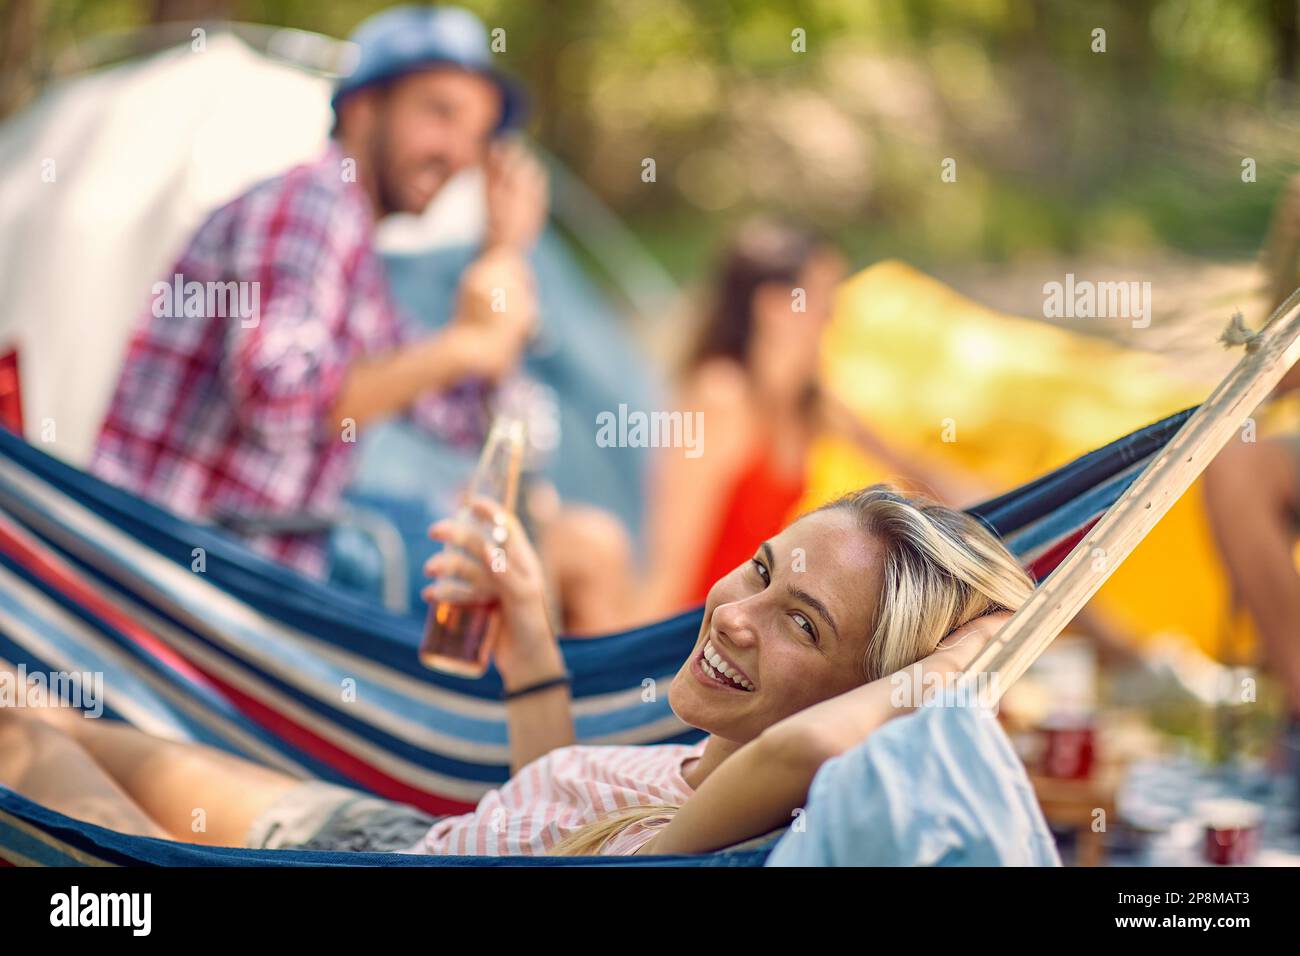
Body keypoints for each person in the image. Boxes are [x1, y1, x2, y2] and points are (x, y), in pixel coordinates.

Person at [0, 484, 1031, 856]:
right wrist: (533, 643)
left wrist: (961, 659)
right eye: (761, 568)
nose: (734, 611)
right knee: (41, 704)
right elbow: (550, 833)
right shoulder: (703, 777)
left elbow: (811, 743)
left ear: (863, 690)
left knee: (22, 743)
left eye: (800, 620)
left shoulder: (739, 820)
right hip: (388, 835)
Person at [90, 5, 547, 577]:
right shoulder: (312, 201)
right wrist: (464, 346)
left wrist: (502, 259)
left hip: (258, 563)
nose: (457, 153)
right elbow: (277, 397)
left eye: (475, 136)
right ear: (362, 108)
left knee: (536, 557)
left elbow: (467, 422)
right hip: (180, 569)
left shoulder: (360, 257)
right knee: (530, 572)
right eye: (439, 113)